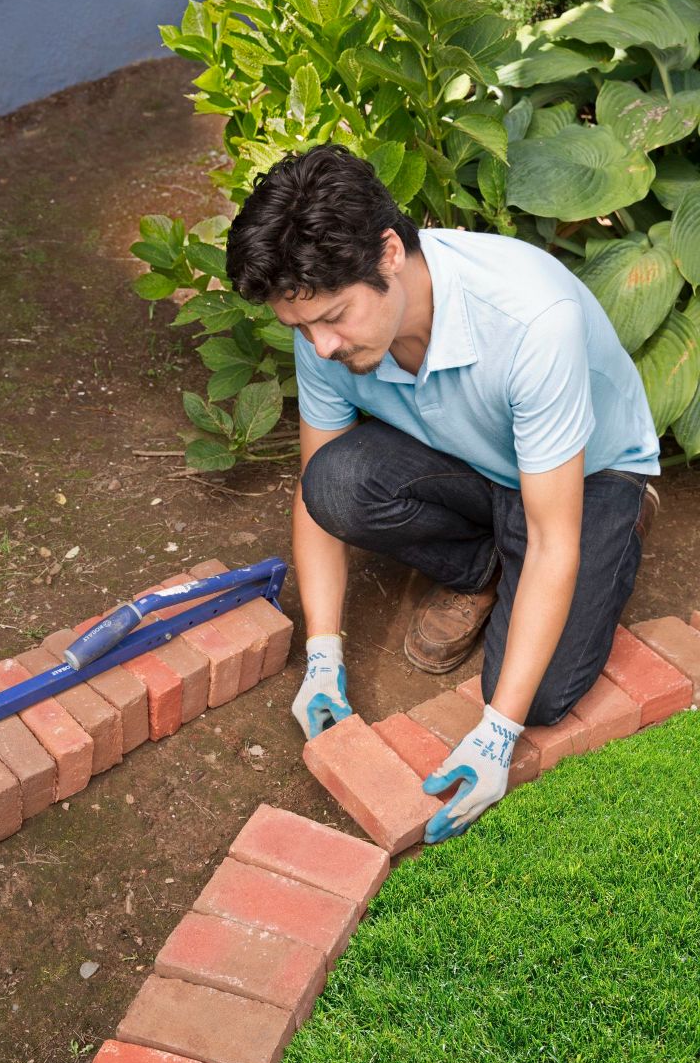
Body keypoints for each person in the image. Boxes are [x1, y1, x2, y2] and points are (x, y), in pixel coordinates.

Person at [225, 143, 661, 843]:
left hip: (583, 477)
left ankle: (618, 528)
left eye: (333, 317)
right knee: (334, 481)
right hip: (473, 457)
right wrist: (323, 654)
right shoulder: (326, 332)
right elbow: (317, 501)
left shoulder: (528, 319)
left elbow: (553, 540)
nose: (321, 346)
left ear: (389, 252)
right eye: (300, 327)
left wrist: (497, 736)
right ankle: (489, 565)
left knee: (538, 699)